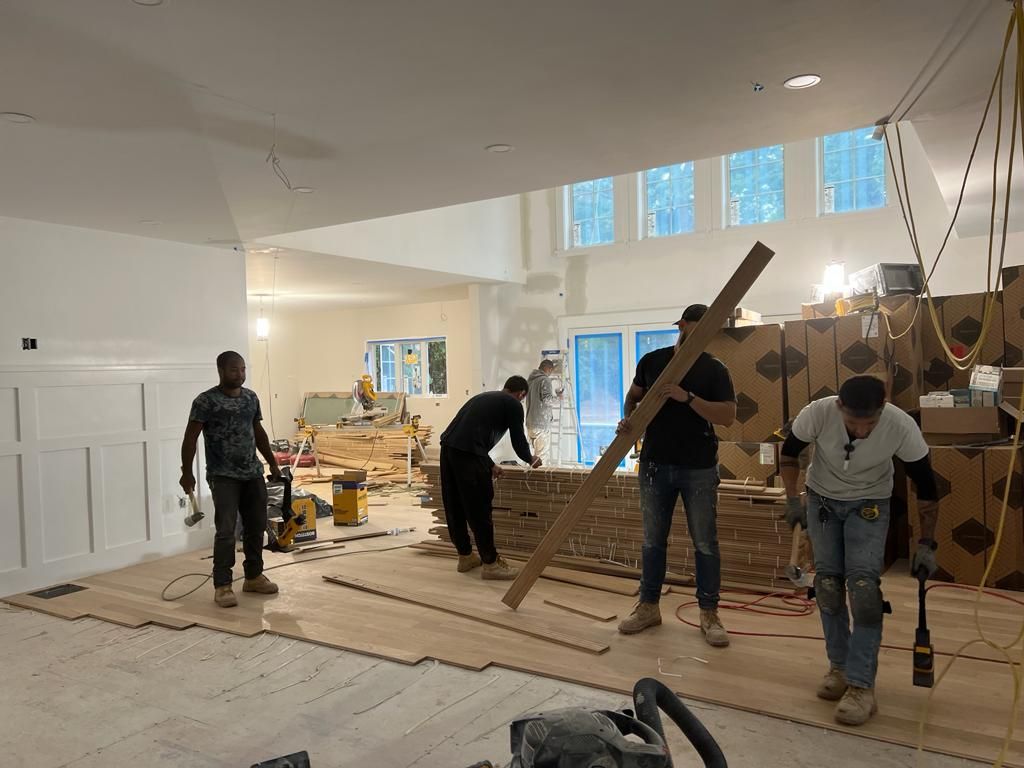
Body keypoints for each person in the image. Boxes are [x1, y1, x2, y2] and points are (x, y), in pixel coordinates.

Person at [780, 375, 939, 726]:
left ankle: (861, 685)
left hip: (870, 502)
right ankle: (839, 667)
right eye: (854, 423)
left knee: (864, 588)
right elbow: (790, 452)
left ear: (882, 410)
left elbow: (926, 483)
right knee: (828, 585)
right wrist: (793, 500)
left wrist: (927, 542)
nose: (863, 431)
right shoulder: (818, 413)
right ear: (840, 408)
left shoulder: (900, 425)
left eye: (870, 423)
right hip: (822, 499)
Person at [615, 304, 737, 647]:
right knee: (653, 540)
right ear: (681, 326)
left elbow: (727, 415)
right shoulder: (653, 362)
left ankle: (709, 612)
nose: (698, 336)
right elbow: (633, 398)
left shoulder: (714, 369)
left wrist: (688, 398)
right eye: (693, 329)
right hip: (655, 463)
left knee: (704, 542)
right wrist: (629, 422)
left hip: (698, 465)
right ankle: (649, 606)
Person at [179, 351, 282, 608]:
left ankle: (254, 576)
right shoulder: (206, 401)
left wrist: (272, 462)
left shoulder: (250, 398)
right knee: (226, 531)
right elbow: (190, 438)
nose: (240, 375)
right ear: (221, 371)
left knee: (256, 526)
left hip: (252, 473)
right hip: (223, 475)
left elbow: (258, 432)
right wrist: (186, 472)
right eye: (234, 370)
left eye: (243, 369)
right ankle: (223, 585)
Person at [439, 375, 542, 580]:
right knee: (479, 508)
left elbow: (467, 437)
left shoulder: (484, 398)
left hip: (448, 449)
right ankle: (491, 563)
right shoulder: (513, 404)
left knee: (455, 506)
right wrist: (530, 458)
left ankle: (465, 556)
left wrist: (489, 464)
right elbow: (518, 439)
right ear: (521, 394)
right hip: (468, 454)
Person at [525, 359, 562, 462]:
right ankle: (539, 477)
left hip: (530, 423)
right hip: (541, 424)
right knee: (541, 458)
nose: (550, 373)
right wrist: (559, 398)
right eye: (551, 371)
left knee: (534, 457)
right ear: (548, 369)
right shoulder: (545, 380)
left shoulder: (530, 380)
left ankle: (534, 476)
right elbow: (547, 400)